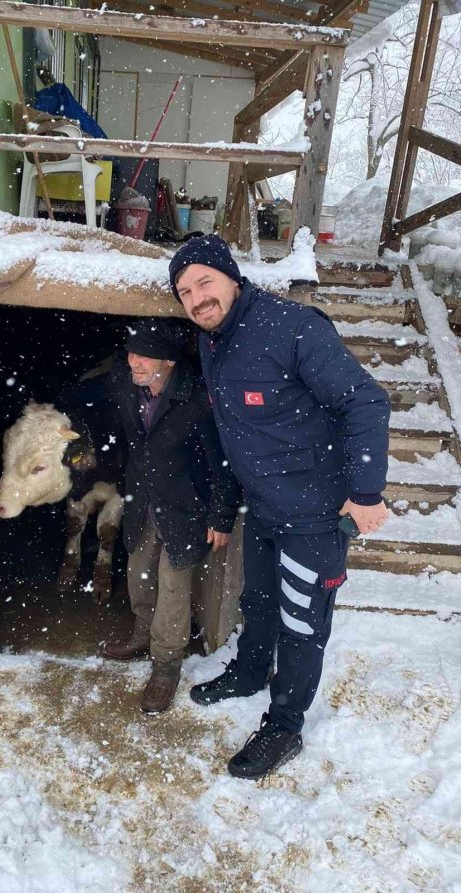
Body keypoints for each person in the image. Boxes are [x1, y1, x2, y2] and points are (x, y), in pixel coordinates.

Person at [169, 234, 390, 779]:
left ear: (232, 279)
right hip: (265, 509)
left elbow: (365, 400)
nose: (197, 299)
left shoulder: (292, 328)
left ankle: (285, 725)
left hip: (315, 515)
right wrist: (226, 510)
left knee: (301, 621)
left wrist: (364, 493)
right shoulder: (213, 339)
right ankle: (248, 672)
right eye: (184, 292)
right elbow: (232, 432)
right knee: (260, 600)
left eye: (205, 283)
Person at [103, 317, 240, 714]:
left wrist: (221, 516)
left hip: (185, 508)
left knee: (173, 587)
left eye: (146, 355)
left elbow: (223, 464)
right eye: (132, 352)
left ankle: (166, 664)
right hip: (143, 501)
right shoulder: (128, 388)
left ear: (171, 361)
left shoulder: (197, 398)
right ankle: (141, 634)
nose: (135, 362)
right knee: (139, 575)